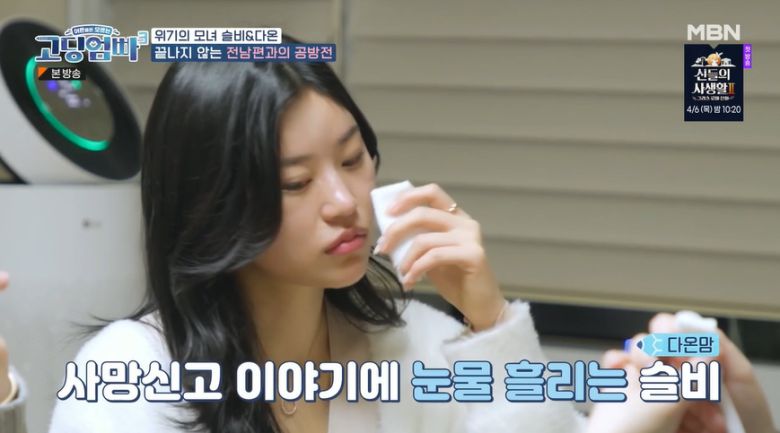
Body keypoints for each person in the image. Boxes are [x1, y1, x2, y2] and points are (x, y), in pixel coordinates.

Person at [0, 35, 776, 432]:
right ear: (213, 202)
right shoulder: (132, 377)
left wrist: (490, 320)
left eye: (353, 158)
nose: (346, 201)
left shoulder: (413, 343)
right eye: (295, 183)